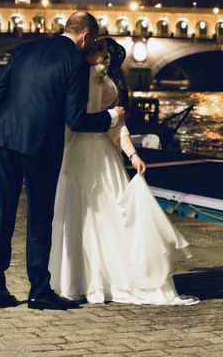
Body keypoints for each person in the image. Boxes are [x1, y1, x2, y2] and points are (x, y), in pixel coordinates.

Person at [0, 12, 126, 310]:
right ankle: (38, 290)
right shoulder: (74, 63)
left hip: (4, 139)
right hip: (40, 146)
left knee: (2, 213)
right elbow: (76, 120)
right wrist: (111, 117)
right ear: (86, 37)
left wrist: (13, 117)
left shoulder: (25, 49)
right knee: (39, 216)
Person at [49, 38, 198, 306]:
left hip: (102, 154)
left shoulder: (108, 85)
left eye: (100, 51)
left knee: (111, 215)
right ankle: (79, 278)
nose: (94, 53)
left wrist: (133, 154)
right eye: (93, 48)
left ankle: (107, 277)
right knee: (78, 215)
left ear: (107, 58)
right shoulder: (77, 76)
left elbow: (118, 128)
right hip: (77, 151)